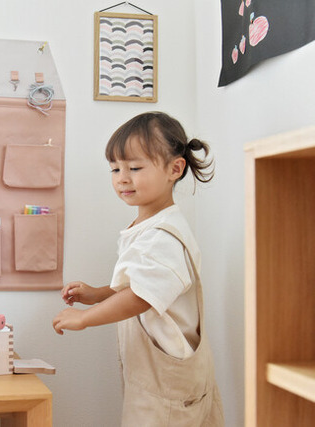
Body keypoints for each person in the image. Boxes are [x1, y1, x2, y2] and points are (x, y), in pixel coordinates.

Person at [53, 112, 224, 426]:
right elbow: (140, 285)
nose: (122, 178)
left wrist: (85, 318)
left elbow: (142, 297)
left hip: (169, 385)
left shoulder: (162, 237)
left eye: (134, 168)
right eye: (115, 169)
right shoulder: (148, 226)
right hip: (157, 376)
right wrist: (98, 294)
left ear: (175, 169)